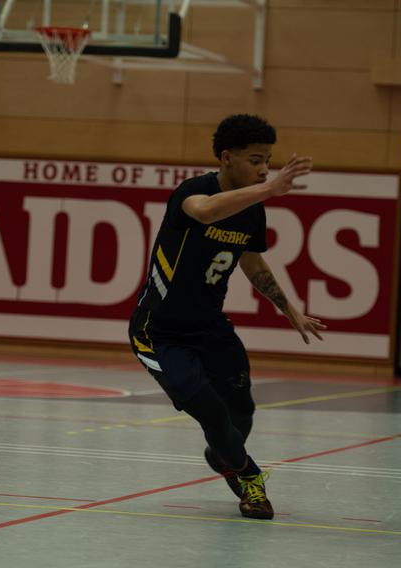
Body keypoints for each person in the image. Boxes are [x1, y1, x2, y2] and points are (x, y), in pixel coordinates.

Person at [128, 114, 326, 520]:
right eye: (256, 160)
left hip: (211, 329)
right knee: (214, 414)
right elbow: (204, 213)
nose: (264, 169)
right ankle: (251, 481)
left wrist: (289, 309)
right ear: (226, 157)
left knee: (242, 413)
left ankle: (224, 454)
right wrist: (268, 189)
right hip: (159, 332)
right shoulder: (192, 192)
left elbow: (252, 265)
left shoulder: (253, 210)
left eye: (268, 160)